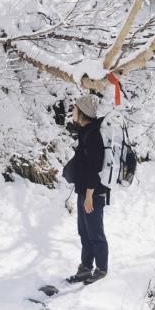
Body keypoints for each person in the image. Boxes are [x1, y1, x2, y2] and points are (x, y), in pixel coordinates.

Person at [65, 94, 109, 285]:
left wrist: (90, 194)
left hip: (93, 193)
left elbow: (95, 166)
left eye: (75, 108)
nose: (72, 111)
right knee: (84, 231)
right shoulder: (86, 132)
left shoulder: (93, 135)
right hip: (84, 191)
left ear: (82, 112)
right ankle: (85, 267)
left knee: (95, 232)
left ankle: (101, 269)